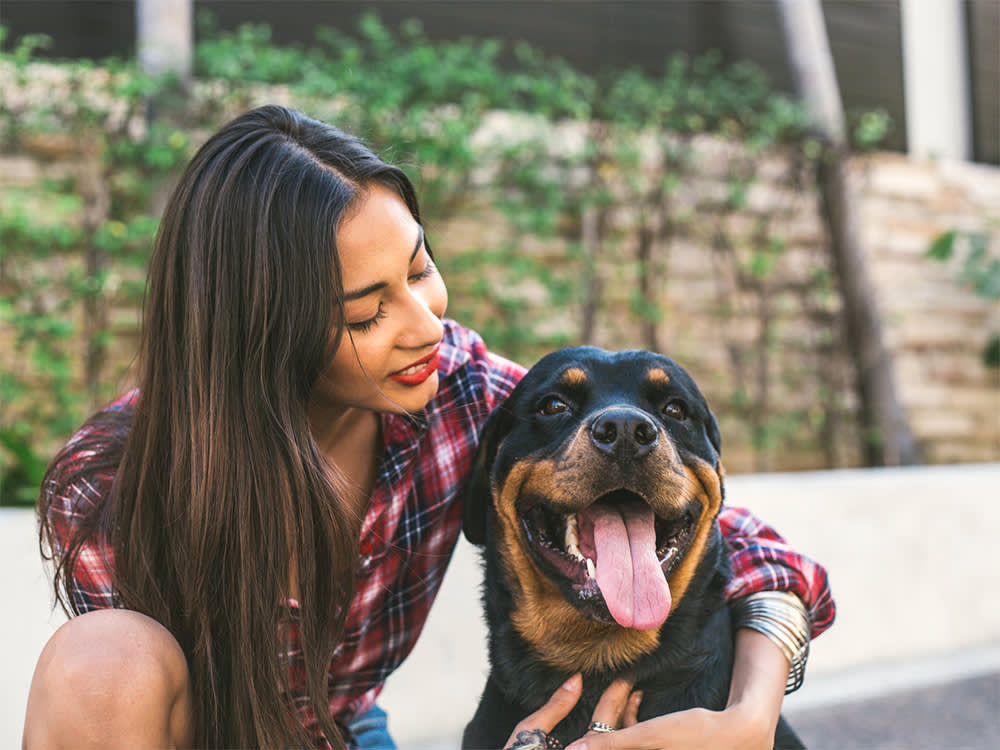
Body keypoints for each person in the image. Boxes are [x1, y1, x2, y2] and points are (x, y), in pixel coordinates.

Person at [24, 105, 834, 750]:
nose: (425, 326)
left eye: (419, 269)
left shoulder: (458, 395)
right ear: (262, 334)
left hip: (350, 731)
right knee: (103, 661)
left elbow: (756, 549)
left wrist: (747, 719)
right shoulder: (115, 488)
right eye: (368, 312)